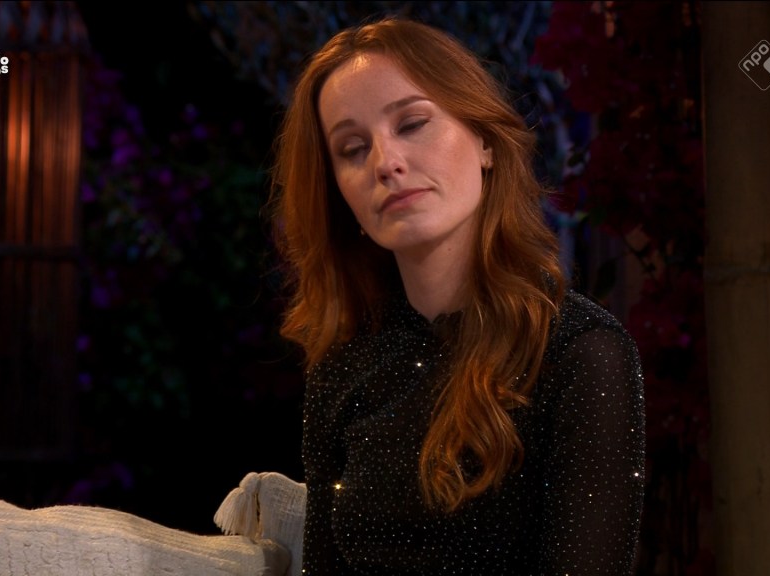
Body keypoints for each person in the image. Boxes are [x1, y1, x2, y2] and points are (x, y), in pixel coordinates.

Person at [268, 15, 645, 576]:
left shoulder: (581, 353)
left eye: (412, 123)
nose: (386, 163)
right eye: (352, 148)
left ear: (485, 142)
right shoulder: (343, 367)